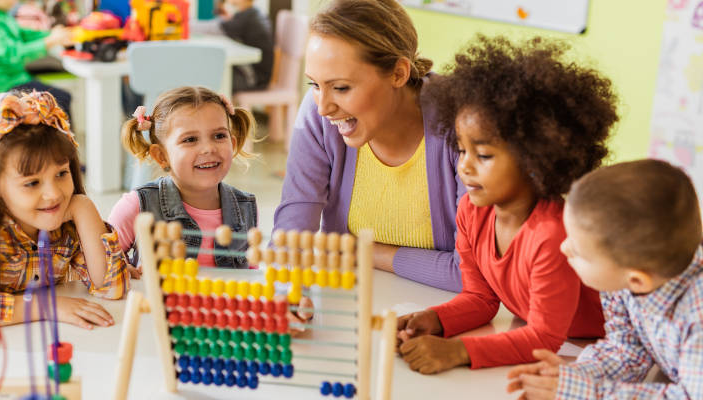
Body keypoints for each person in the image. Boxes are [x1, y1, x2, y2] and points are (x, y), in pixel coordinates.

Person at [396, 35, 619, 373]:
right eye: (461, 149)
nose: (464, 166)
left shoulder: (552, 232)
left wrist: (456, 352)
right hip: (572, 345)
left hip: (614, 344)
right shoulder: (471, 212)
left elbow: (544, 336)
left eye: (483, 155)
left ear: (535, 159)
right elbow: (481, 299)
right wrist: (434, 319)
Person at [273, 0, 465, 291]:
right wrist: (289, 294)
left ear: (398, 74)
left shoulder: (462, 123)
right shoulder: (317, 116)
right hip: (350, 304)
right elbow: (290, 237)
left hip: (442, 316)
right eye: (314, 85)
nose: (323, 107)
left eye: (341, 88)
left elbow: (470, 273)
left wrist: (359, 251)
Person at [0, 91, 130, 330]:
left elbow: (112, 288)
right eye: (32, 183)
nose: (54, 194)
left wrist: (84, 207)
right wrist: (44, 306)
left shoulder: (68, 225)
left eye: (61, 174)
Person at [507, 159, 703, 400]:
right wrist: (574, 377)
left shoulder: (696, 317)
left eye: (579, 251)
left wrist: (587, 393)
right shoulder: (623, 280)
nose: (564, 247)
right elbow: (626, 352)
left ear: (638, 281)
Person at [109, 86, 257, 269]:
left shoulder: (245, 207)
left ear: (232, 144)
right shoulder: (137, 206)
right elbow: (101, 265)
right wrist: (121, 270)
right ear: (161, 156)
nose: (208, 148)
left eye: (219, 136)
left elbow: (250, 276)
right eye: (190, 140)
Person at [0, 0, 74, 114]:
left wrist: (51, 34)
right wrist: (49, 41)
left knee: (62, 97)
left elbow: (22, 34)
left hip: (18, 78)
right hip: (4, 86)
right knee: (60, 99)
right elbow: (14, 54)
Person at [192, 0, 274, 93]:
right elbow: (224, 24)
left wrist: (186, 24)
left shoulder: (247, 17)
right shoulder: (253, 13)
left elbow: (218, 27)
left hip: (253, 79)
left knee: (211, 79)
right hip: (257, 75)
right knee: (211, 75)